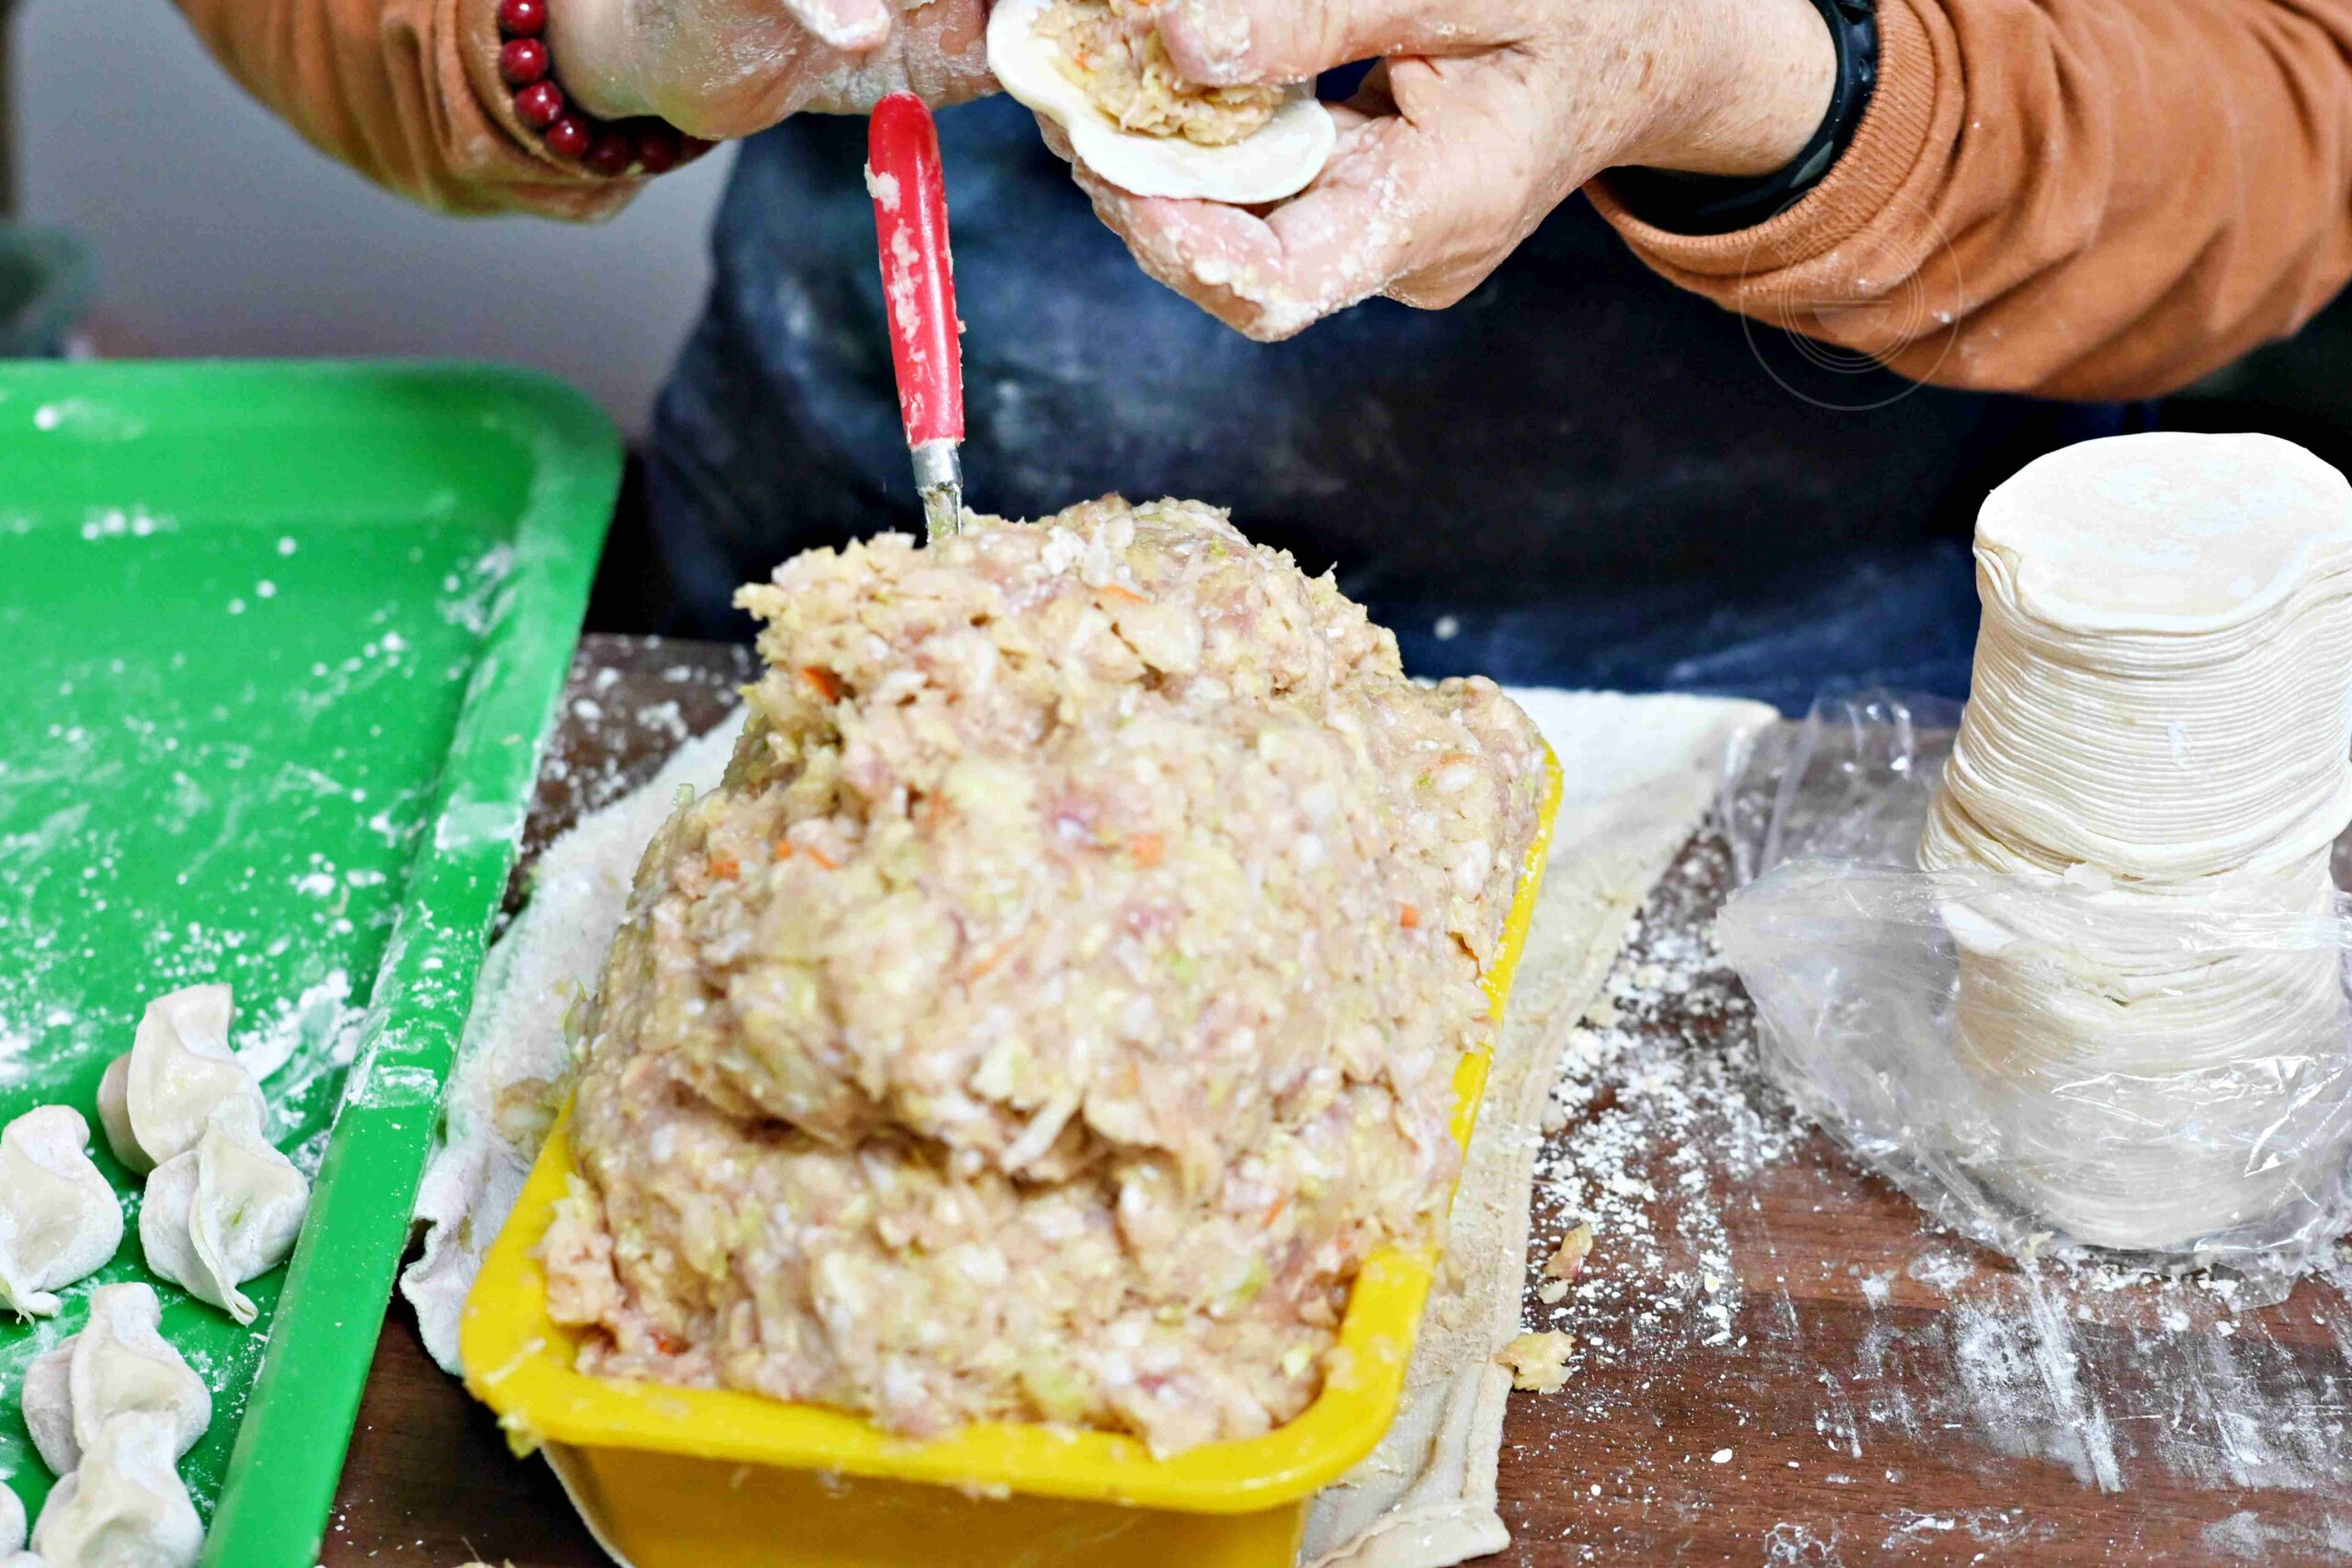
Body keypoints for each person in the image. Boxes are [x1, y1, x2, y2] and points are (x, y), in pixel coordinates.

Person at [174, 0, 2352, 707]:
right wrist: (596, 34)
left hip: (1787, 719)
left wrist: (1708, 73)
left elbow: (2285, 111)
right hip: (868, 635)